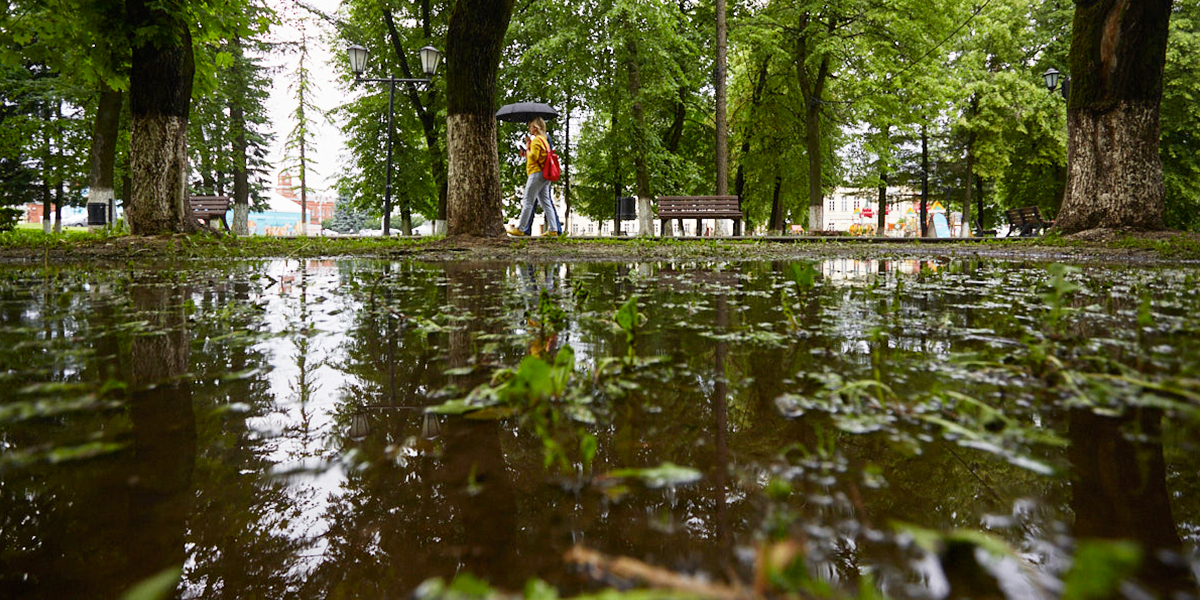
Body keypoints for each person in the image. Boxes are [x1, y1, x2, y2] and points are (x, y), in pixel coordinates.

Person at [507, 118, 560, 237]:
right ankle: (553, 229)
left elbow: (533, 158)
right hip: (545, 174)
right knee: (546, 201)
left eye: (530, 126)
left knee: (528, 201)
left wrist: (527, 147)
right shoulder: (544, 140)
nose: (529, 128)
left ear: (535, 128)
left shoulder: (536, 141)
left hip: (536, 173)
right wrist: (528, 150)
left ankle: (521, 228)